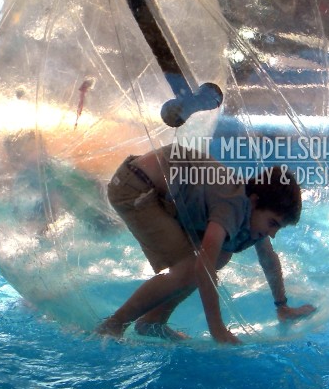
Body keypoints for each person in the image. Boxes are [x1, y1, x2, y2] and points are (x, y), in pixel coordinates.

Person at [97, 146, 317, 344]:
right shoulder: (232, 202)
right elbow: (204, 265)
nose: (272, 233)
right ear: (254, 201)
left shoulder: (250, 213)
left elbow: (268, 259)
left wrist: (282, 306)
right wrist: (218, 330)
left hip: (159, 190)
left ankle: (153, 320)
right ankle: (114, 324)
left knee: (221, 254)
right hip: (135, 185)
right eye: (272, 223)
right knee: (193, 266)